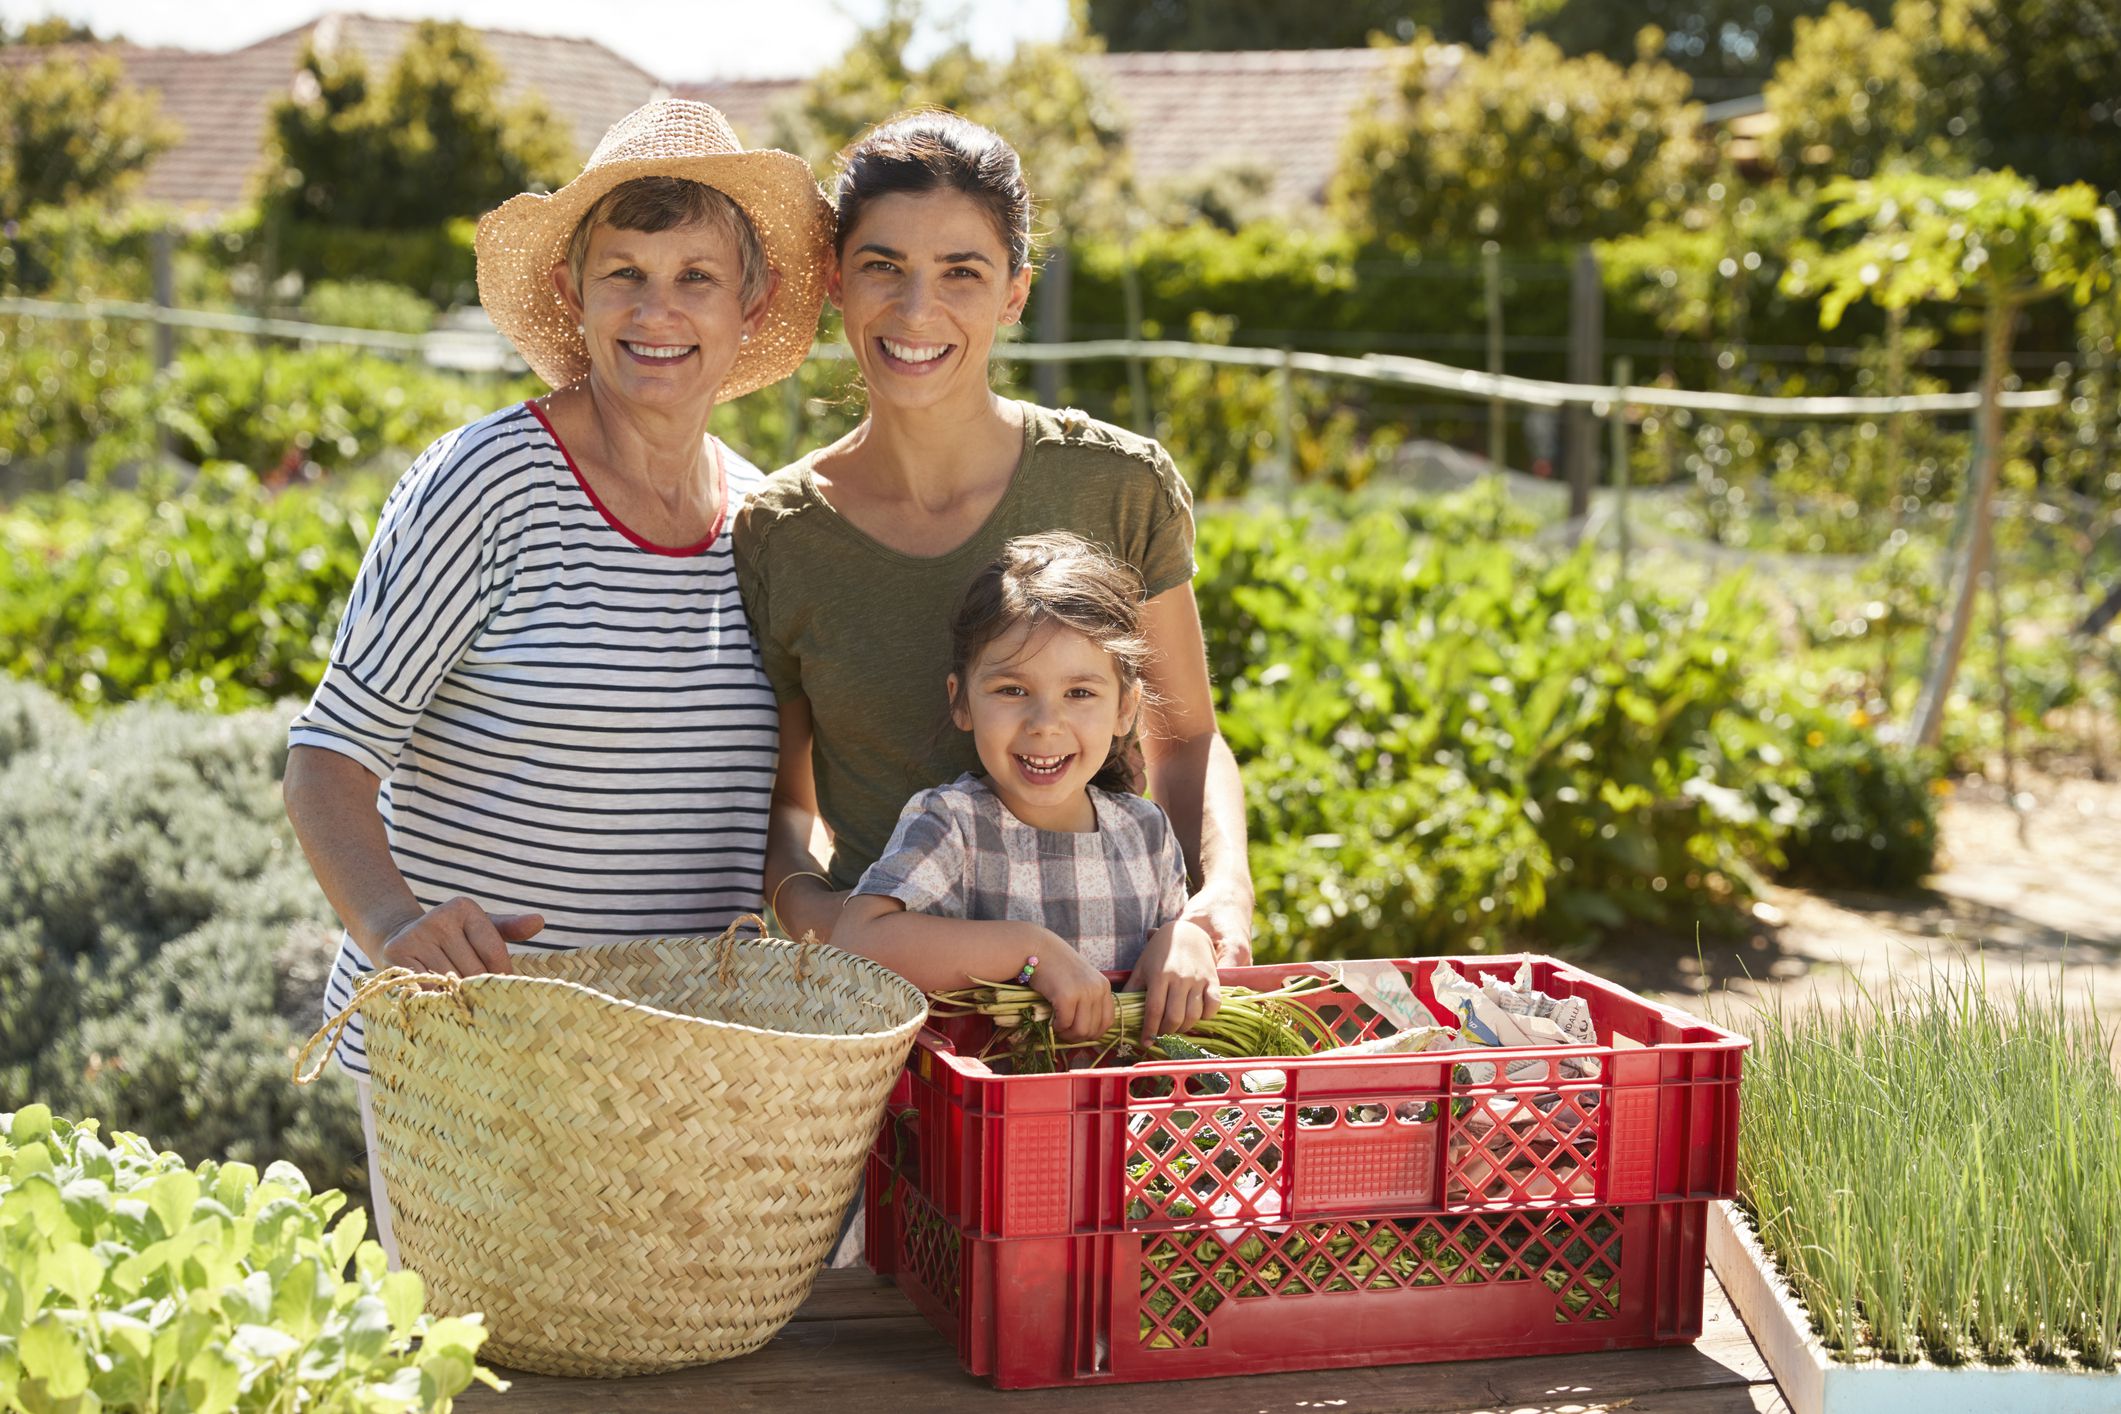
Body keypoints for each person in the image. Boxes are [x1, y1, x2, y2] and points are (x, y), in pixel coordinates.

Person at [281, 99, 831, 1261]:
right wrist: (393, 924)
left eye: (694, 276)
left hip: (684, 1070)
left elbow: (788, 800)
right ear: (576, 295)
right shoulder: (487, 483)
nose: (656, 309)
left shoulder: (764, 523)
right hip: (472, 1062)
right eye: (623, 272)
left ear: (754, 304)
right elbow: (328, 760)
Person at [735, 110, 1255, 1044]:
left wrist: (1212, 906)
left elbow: (1184, 742)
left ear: (1014, 292)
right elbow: (789, 803)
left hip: (1115, 1011)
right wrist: (833, 927)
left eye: (961, 272)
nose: (915, 310)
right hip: (883, 1026)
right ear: (833, 281)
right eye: (882, 265)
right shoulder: (780, 532)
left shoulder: (1117, 483)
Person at [836, 533, 1217, 1043]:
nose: (1045, 723)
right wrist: (1028, 950)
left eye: (1080, 693)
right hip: (980, 1113)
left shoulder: (1146, 834)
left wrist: (1185, 937)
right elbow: (855, 943)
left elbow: (1168, 961)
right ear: (962, 702)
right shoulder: (954, 824)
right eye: (1012, 690)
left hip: (1120, 1114)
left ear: (1126, 709)